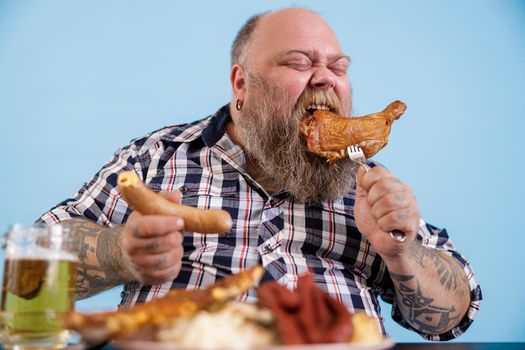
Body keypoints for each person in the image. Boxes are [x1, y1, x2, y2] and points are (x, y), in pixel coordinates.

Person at [38, 8, 481, 341]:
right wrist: (119, 252)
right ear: (241, 84)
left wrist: (402, 253)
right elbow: (31, 268)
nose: (325, 78)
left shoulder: (370, 185)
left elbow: (454, 316)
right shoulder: (155, 159)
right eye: (298, 63)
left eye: (338, 67)